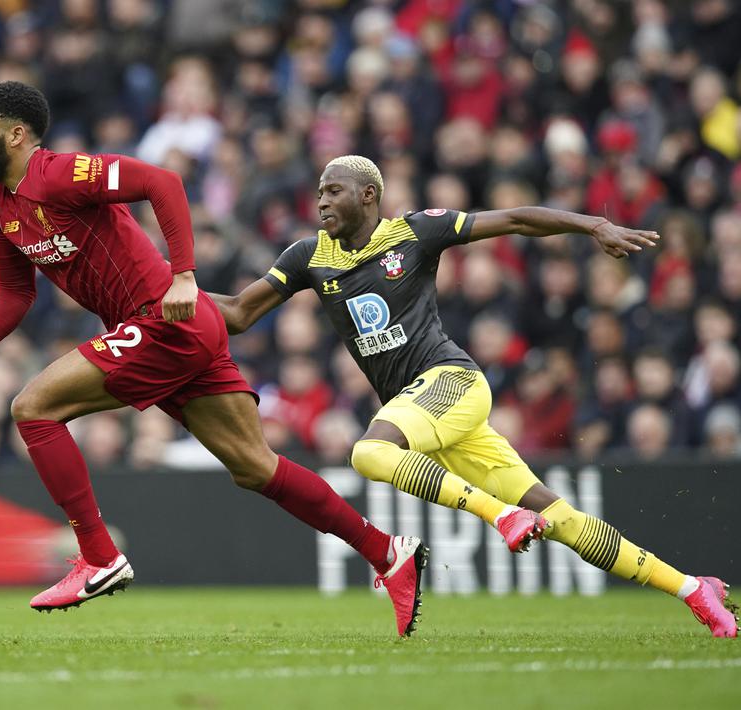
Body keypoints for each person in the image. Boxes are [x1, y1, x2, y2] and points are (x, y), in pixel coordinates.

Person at [0, 82, 424, 636]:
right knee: (256, 466)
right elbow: (16, 290)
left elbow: (162, 181)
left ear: (16, 134)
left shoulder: (59, 173)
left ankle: (99, 556)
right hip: (169, 330)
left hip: (163, 318)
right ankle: (387, 552)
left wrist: (183, 274)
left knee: (32, 408)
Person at [211, 155, 739, 638]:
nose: (321, 202)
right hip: (424, 414)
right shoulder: (308, 257)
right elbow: (237, 312)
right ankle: (693, 588)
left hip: (451, 381)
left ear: (368, 195)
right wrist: (163, 288)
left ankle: (500, 517)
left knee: (368, 452)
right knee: (562, 520)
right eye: (319, 193)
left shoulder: (415, 233)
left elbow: (514, 219)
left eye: (333, 191)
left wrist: (591, 224)